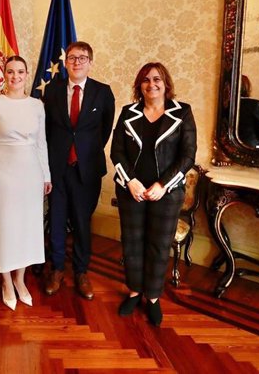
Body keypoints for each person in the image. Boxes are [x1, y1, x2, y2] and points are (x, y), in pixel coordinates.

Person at [110, 62, 196, 326]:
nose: (152, 84)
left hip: (166, 193)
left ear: (166, 83)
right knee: (132, 243)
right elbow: (117, 152)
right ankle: (135, 292)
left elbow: (187, 156)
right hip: (131, 191)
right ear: (140, 85)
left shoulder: (182, 113)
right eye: (146, 80)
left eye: (157, 79)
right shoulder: (128, 112)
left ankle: (154, 298)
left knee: (159, 246)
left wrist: (163, 185)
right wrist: (131, 182)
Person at [43, 41, 115, 300]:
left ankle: (81, 272)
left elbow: (105, 130)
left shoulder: (103, 92)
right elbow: (47, 129)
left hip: (87, 169)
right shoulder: (52, 91)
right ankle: (57, 269)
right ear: (65, 62)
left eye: (82, 58)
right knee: (57, 220)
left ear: (90, 62)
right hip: (57, 168)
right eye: (72, 58)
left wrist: (84, 152)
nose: (76, 62)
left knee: (83, 223)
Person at [0, 56, 52, 310]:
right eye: (10, 72)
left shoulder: (37, 105)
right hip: (4, 174)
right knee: (6, 228)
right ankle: (6, 281)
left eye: (20, 71)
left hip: (31, 173)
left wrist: (46, 175)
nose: (15, 76)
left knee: (27, 228)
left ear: (26, 73)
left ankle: (21, 280)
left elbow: (42, 143)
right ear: (4, 75)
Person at [238, 75, 259, 147]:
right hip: (250, 144)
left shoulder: (225, 103)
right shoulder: (255, 104)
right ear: (247, 87)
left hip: (227, 144)